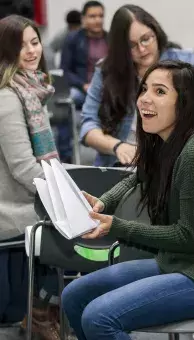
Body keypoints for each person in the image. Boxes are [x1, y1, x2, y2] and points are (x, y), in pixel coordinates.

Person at [62, 60, 194, 340]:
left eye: (160, 92)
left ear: (184, 103)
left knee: (98, 317)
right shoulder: (168, 140)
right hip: (178, 262)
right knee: (73, 295)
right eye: (144, 90)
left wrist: (116, 226)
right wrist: (103, 202)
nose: (145, 100)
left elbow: (188, 237)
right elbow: (138, 177)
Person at [80, 4, 194, 167]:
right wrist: (118, 146)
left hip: (175, 160)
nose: (142, 49)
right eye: (132, 45)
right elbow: (88, 124)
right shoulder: (107, 70)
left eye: (146, 39)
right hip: (121, 163)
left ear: (156, 32)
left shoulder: (187, 63)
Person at [0, 14, 60, 339]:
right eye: (20, 45)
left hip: (25, 201)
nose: (31, 51)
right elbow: (25, 168)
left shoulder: (31, 91)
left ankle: (44, 310)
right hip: (13, 212)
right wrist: (64, 195)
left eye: (34, 42)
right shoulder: (9, 97)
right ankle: (41, 311)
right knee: (78, 224)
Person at [61, 1, 108, 109]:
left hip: (105, 90)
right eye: (92, 16)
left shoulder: (110, 39)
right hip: (81, 89)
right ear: (84, 19)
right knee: (70, 98)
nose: (98, 20)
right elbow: (65, 71)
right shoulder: (72, 39)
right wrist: (83, 85)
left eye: (101, 16)